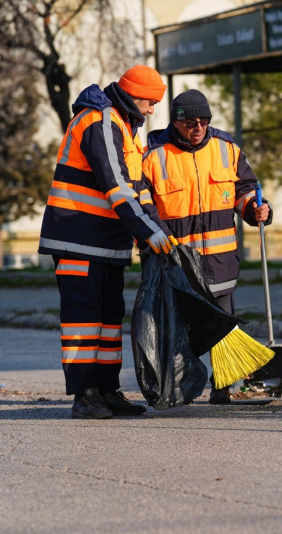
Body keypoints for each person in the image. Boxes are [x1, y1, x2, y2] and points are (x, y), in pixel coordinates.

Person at [38, 64, 177, 419]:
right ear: (135, 96)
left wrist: (157, 229)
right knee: (84, 318)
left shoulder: (125, 130)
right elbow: (115, 185)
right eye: (150, 103)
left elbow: (139, 189)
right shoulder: (100, 121)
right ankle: (85, 395)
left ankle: (107, 390)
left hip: (106, 244)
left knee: (108, 317)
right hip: (77, 239)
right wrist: (148, 232)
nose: (152, 111)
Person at [142, 89, 271, 404]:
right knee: (177, 330)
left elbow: (245, 189)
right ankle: (174, 389)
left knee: (223, 328)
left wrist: (256, 210)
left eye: (204, 121)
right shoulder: (153, 157)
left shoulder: (227, 149)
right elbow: (143, 207)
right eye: (190, 123)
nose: (198, 128)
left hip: (219, 262)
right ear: (176, 122)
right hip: (178, 267)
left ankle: (224, 386)